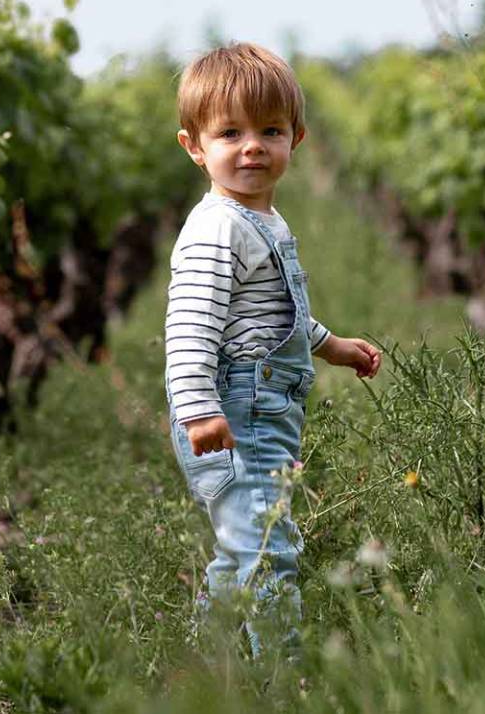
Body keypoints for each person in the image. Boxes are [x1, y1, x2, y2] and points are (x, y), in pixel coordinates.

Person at [162, 41, 382, 657]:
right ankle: (280, 677)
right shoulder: (218, 228)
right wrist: (199, 409)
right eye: (229, 132)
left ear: (297, 139)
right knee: (266, 548)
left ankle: (208, 666)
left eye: (270, 130)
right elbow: (191, 328)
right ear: (195, 147)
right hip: (236, 413)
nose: (251, 145)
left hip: (258, 410)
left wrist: (330, 345)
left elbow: (271, 318)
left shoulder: (262, 219)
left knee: (244, 547)